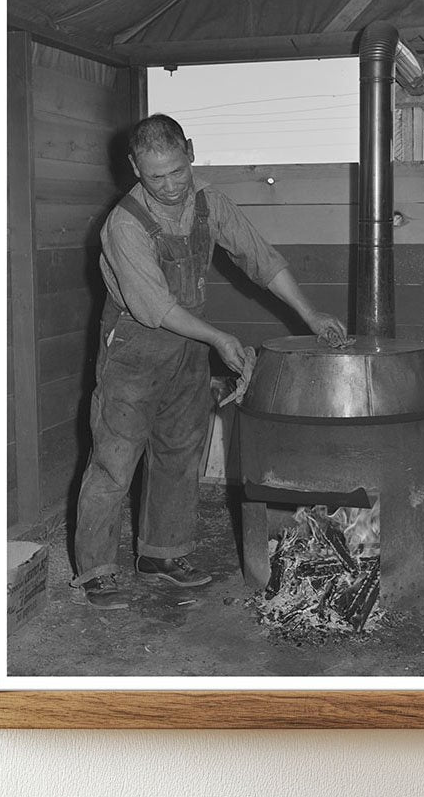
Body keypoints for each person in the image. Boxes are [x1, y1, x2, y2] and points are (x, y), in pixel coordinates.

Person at [72, 114, 347, 609]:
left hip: (188, 345)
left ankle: (161, 554)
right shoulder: (124, 225)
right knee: (114, 459)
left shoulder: (210, 203)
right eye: (155, 176)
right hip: (134, 347)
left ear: (191, 152)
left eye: (177, 171)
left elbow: (260, 259)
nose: (171, 186)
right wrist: (221, 340)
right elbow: (154, 307)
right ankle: (96, 569)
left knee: (181, 450)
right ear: (135, 167)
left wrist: (310, 314)